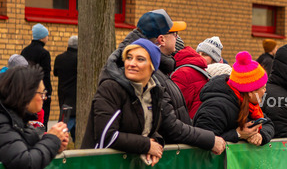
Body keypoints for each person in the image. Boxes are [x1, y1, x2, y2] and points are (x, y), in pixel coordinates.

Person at [81, 39, 225, 159]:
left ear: (152, 66)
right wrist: (146, 145)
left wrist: (156, 143)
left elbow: (154, 129)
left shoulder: (155, 92)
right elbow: (106, 136)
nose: (132, 63)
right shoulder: (111, 88)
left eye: (140, 59)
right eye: (129, 58)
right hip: (99, 168)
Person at [0, 64, 69, 169]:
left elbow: (21, 147)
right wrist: (52, 140)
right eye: (41, 93)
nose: (44, 98)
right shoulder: (3, 122)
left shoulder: (16, 120)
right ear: (25, 94)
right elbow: (24, 163)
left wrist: (55, 144)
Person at [170, 46, 212, 119]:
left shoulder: (181, 74)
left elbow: (174, 105)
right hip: (199, 119)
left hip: (185, 121)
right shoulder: (200, 70)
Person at [21, 24, 52, 123]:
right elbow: (46, 74)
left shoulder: (24, 51)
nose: (47, 38)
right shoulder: (44, 53)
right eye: (47, 35)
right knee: (42, 120)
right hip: (39, 90)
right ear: (42, 37)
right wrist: (47, 92)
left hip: (26, 90)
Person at [53, 35, 78, 141]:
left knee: (65, 122)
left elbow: (55, 73)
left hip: (63, 95)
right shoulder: (79, 59)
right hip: (76, 97)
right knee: (67, 129)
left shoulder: (60, 58)